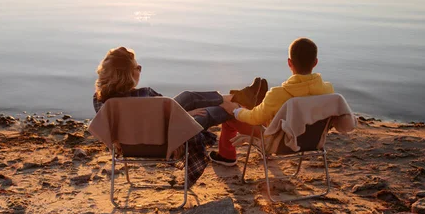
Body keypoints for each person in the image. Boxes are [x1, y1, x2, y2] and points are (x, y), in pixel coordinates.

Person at [92, 46, 232, 186]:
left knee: (187, 97)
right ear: (127, 74)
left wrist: (182, 114)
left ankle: (225, 100)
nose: (140, 70)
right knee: (203, 116)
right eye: (137, 67)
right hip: (165, 142)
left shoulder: (102, 102)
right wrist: (185, 116)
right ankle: (233, 106)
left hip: (130, 145)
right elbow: (163, 121)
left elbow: (124, 125)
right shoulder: (146, 95)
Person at [210, 37, 335, 166]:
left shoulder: (279, 93)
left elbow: (254, 119)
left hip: (279, 143)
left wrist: (236, 111)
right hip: (313, 141)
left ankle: (226, 156)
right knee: (266, 110)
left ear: (289, 63)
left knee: (231, 115)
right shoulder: (328, 90)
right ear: (315, 62)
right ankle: (254, 101)